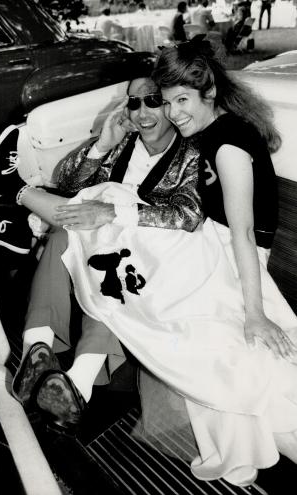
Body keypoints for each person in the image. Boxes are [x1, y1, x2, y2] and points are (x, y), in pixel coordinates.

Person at [0, 77, 202, 426]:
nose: (142, 112)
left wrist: (114, 213)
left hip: (146, 251)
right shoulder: (124, 142)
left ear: (171, 104)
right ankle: (52, 364)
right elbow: (68, 182)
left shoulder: (190, 154)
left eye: (153, 101)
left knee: (102, 253)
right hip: (96, 237)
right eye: (133, 103)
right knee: (72, 231)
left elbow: (187, 215)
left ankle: (13, 191)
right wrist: (101, 145)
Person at [147, 37, 297, 486]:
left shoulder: (230, 144)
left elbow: (244, 233)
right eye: (167, 101)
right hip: (211, 247)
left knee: (226, 347)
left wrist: (255, 314)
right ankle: (239, 451)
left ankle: (261, 444)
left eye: (182, 100)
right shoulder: (210, 130)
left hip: (237, 254)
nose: (173, 113)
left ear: (207, 94)